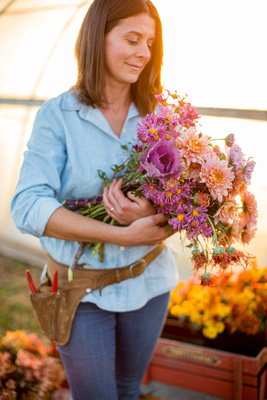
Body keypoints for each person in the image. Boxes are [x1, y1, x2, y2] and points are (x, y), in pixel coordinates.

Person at [11, 0, 178, 399]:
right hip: (79, 288)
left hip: (149, 281)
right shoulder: (59, 115)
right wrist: (120, 233)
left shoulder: (161, 115)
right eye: (133, 39)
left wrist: (154, 213)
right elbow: (28, 206)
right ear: (96, 39)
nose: (144, 52)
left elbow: (187, 200)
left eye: (150, 43)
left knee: (127, 389)